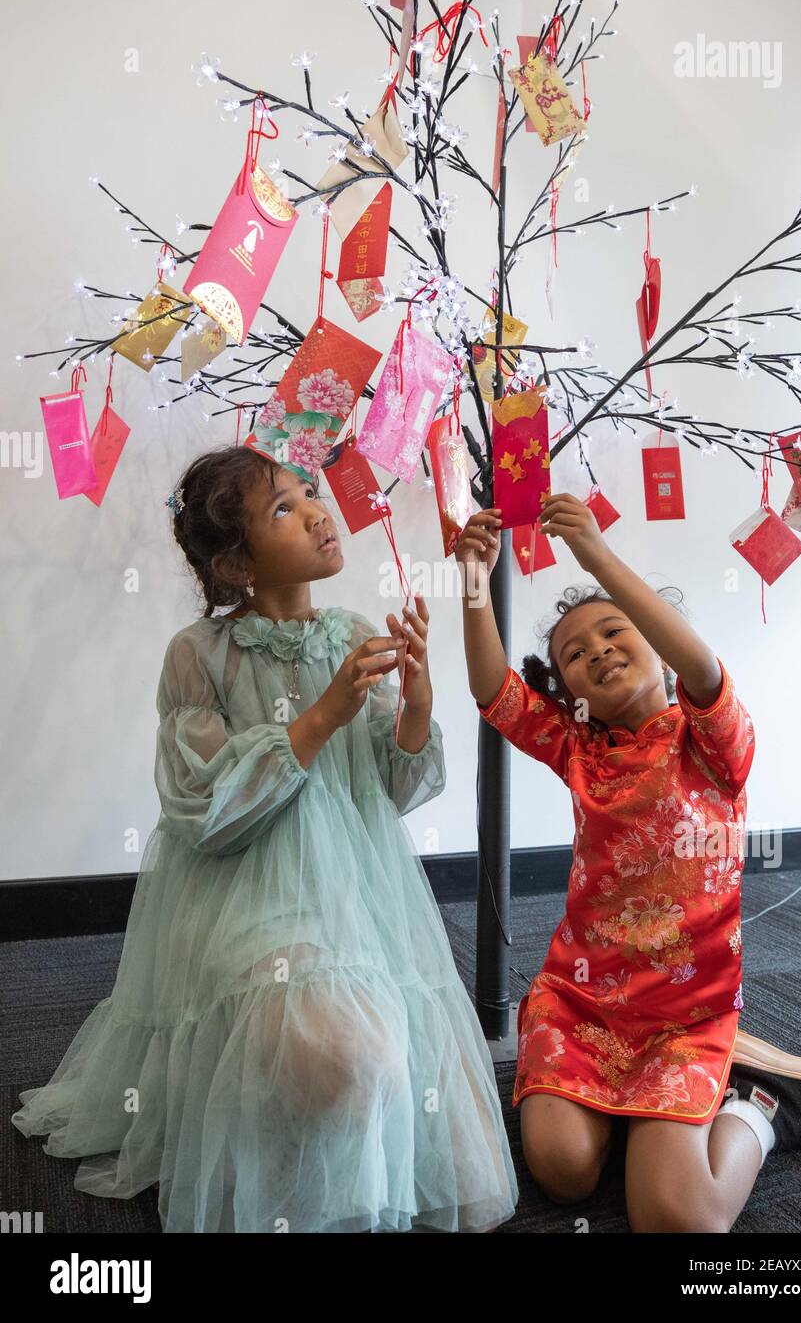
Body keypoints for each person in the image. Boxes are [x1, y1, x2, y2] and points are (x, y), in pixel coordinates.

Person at [12, 446, 518, 1234]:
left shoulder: (349, 631)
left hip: (359, 890)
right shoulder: (200, 655)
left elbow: (395, 787)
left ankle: (297, 1123)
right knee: (346, 1062)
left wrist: (415, 701)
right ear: (236, 562)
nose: (319, 510)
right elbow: (204, 809)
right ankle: (265, 1132)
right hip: (246, 891)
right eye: (284, 507)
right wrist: (320, 718)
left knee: (429, 1107)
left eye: (310, 492)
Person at [455, 492, 801, 1233]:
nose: (597, 651)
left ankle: (763, 1108)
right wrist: (474, 584)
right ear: (571, 693)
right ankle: (641, 1111)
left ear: (654, 639)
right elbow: (495, 692)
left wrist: (600, 562)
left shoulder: (712, 740)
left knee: (676, 1222)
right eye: (574, 655)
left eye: (616, 630)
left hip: (685, 1013)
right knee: (563, 1174)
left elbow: (701, 663)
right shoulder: (580, 750)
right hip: (580, 1004)